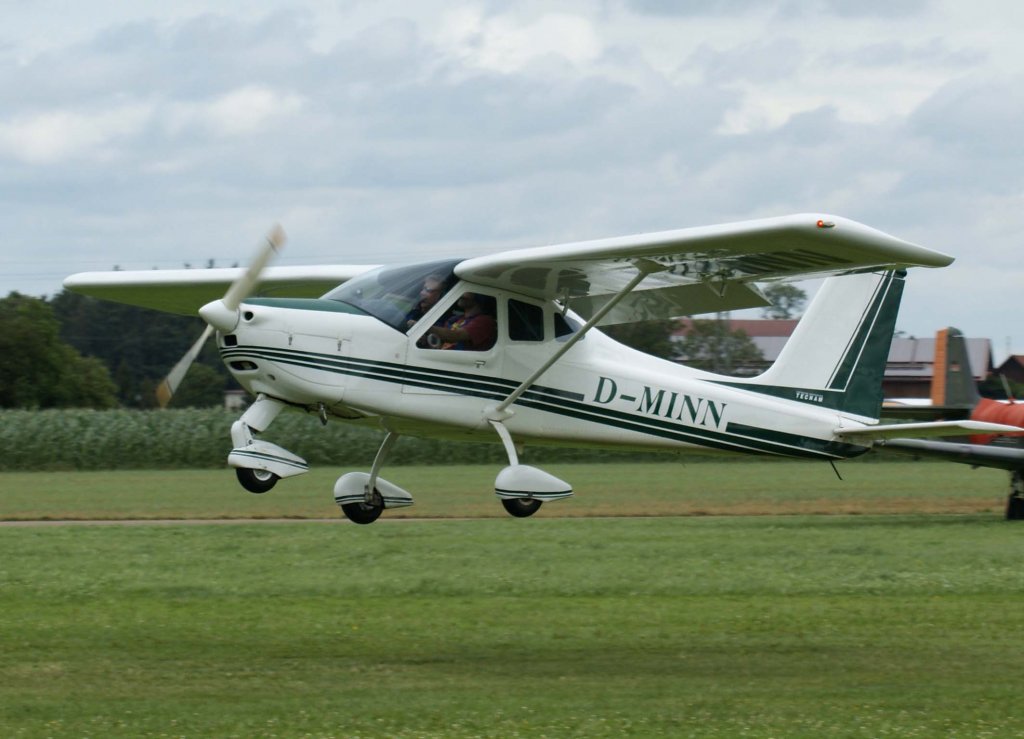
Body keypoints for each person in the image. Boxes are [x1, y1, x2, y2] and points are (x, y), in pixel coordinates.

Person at [427, 292, 496, 351]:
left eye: (466, 290)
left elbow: (456, 336)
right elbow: (443, 339)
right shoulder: (457, 319)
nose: (460, 295)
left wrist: (423, 328)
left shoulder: (485, 321)